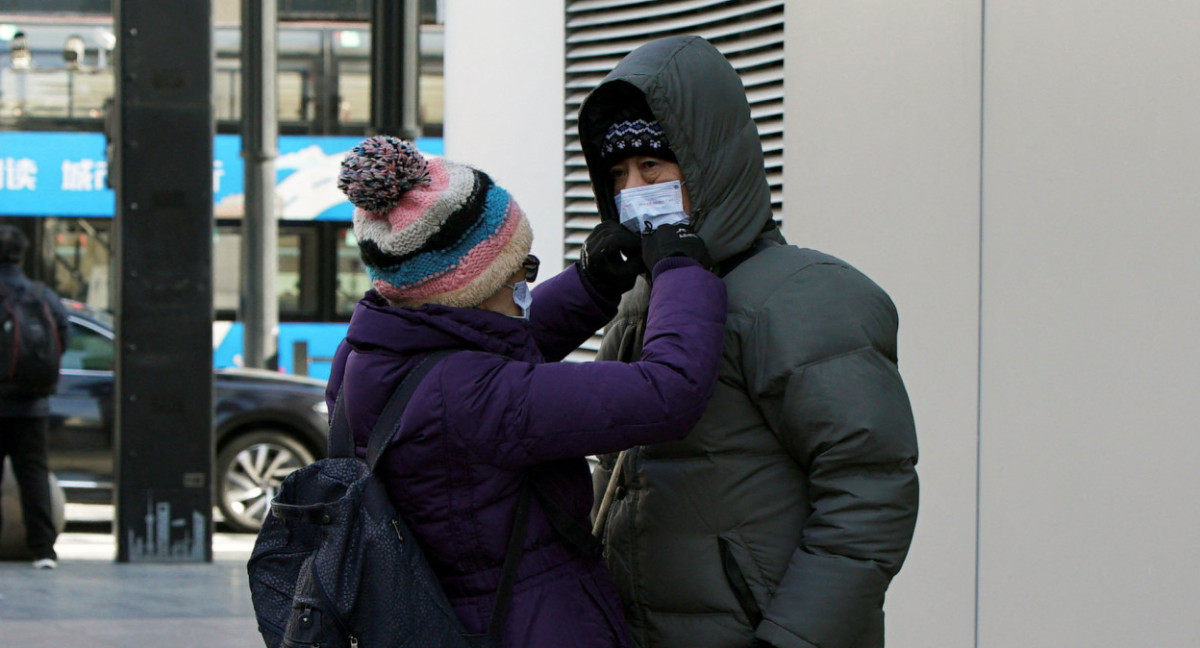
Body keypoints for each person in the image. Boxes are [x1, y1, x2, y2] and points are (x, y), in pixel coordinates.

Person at [580, 36, 920, 648]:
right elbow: (619, 471)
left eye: (653, 166)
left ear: (706, 161)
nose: (635, 189)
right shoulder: (642, 299)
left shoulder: (802, 295)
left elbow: (868, 490)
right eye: (618, 174)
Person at [325, 136, 726, 648]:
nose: (527, 289)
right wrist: (681, 268)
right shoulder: (473, 397)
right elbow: (668, 390)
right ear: (472, 287)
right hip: (527, 626)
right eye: (522, 271)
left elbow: (493, 346)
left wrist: (595, 283)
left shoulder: (367, 353)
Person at [0, 224, 70, 570]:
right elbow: (63, 335)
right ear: (21, 255)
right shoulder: (40, 294)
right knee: (34, 475)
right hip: (33, 403)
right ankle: (43, 550)